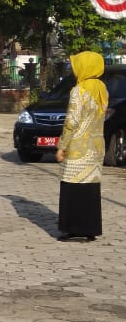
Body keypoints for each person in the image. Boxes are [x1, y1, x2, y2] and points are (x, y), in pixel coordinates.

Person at [56, 51, 107, 242]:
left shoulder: (79, 90)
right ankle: (90, 229)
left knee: (72, 186)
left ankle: (72, 228)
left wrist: (62, 146)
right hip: (96, 147)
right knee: (90, 189)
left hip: (78, 147)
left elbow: (72, 121)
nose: (74, 69)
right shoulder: (102, 88)